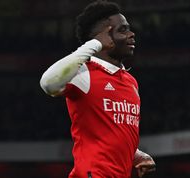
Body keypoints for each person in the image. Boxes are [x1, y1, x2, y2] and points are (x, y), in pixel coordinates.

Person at [40, 0, 155, 177]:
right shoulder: (84, 73)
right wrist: (93, 44)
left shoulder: (130, 81)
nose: (132, 34)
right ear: (104, 37)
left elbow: (115, 135)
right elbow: (48, 83)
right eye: (122, 30)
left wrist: (137, 155)